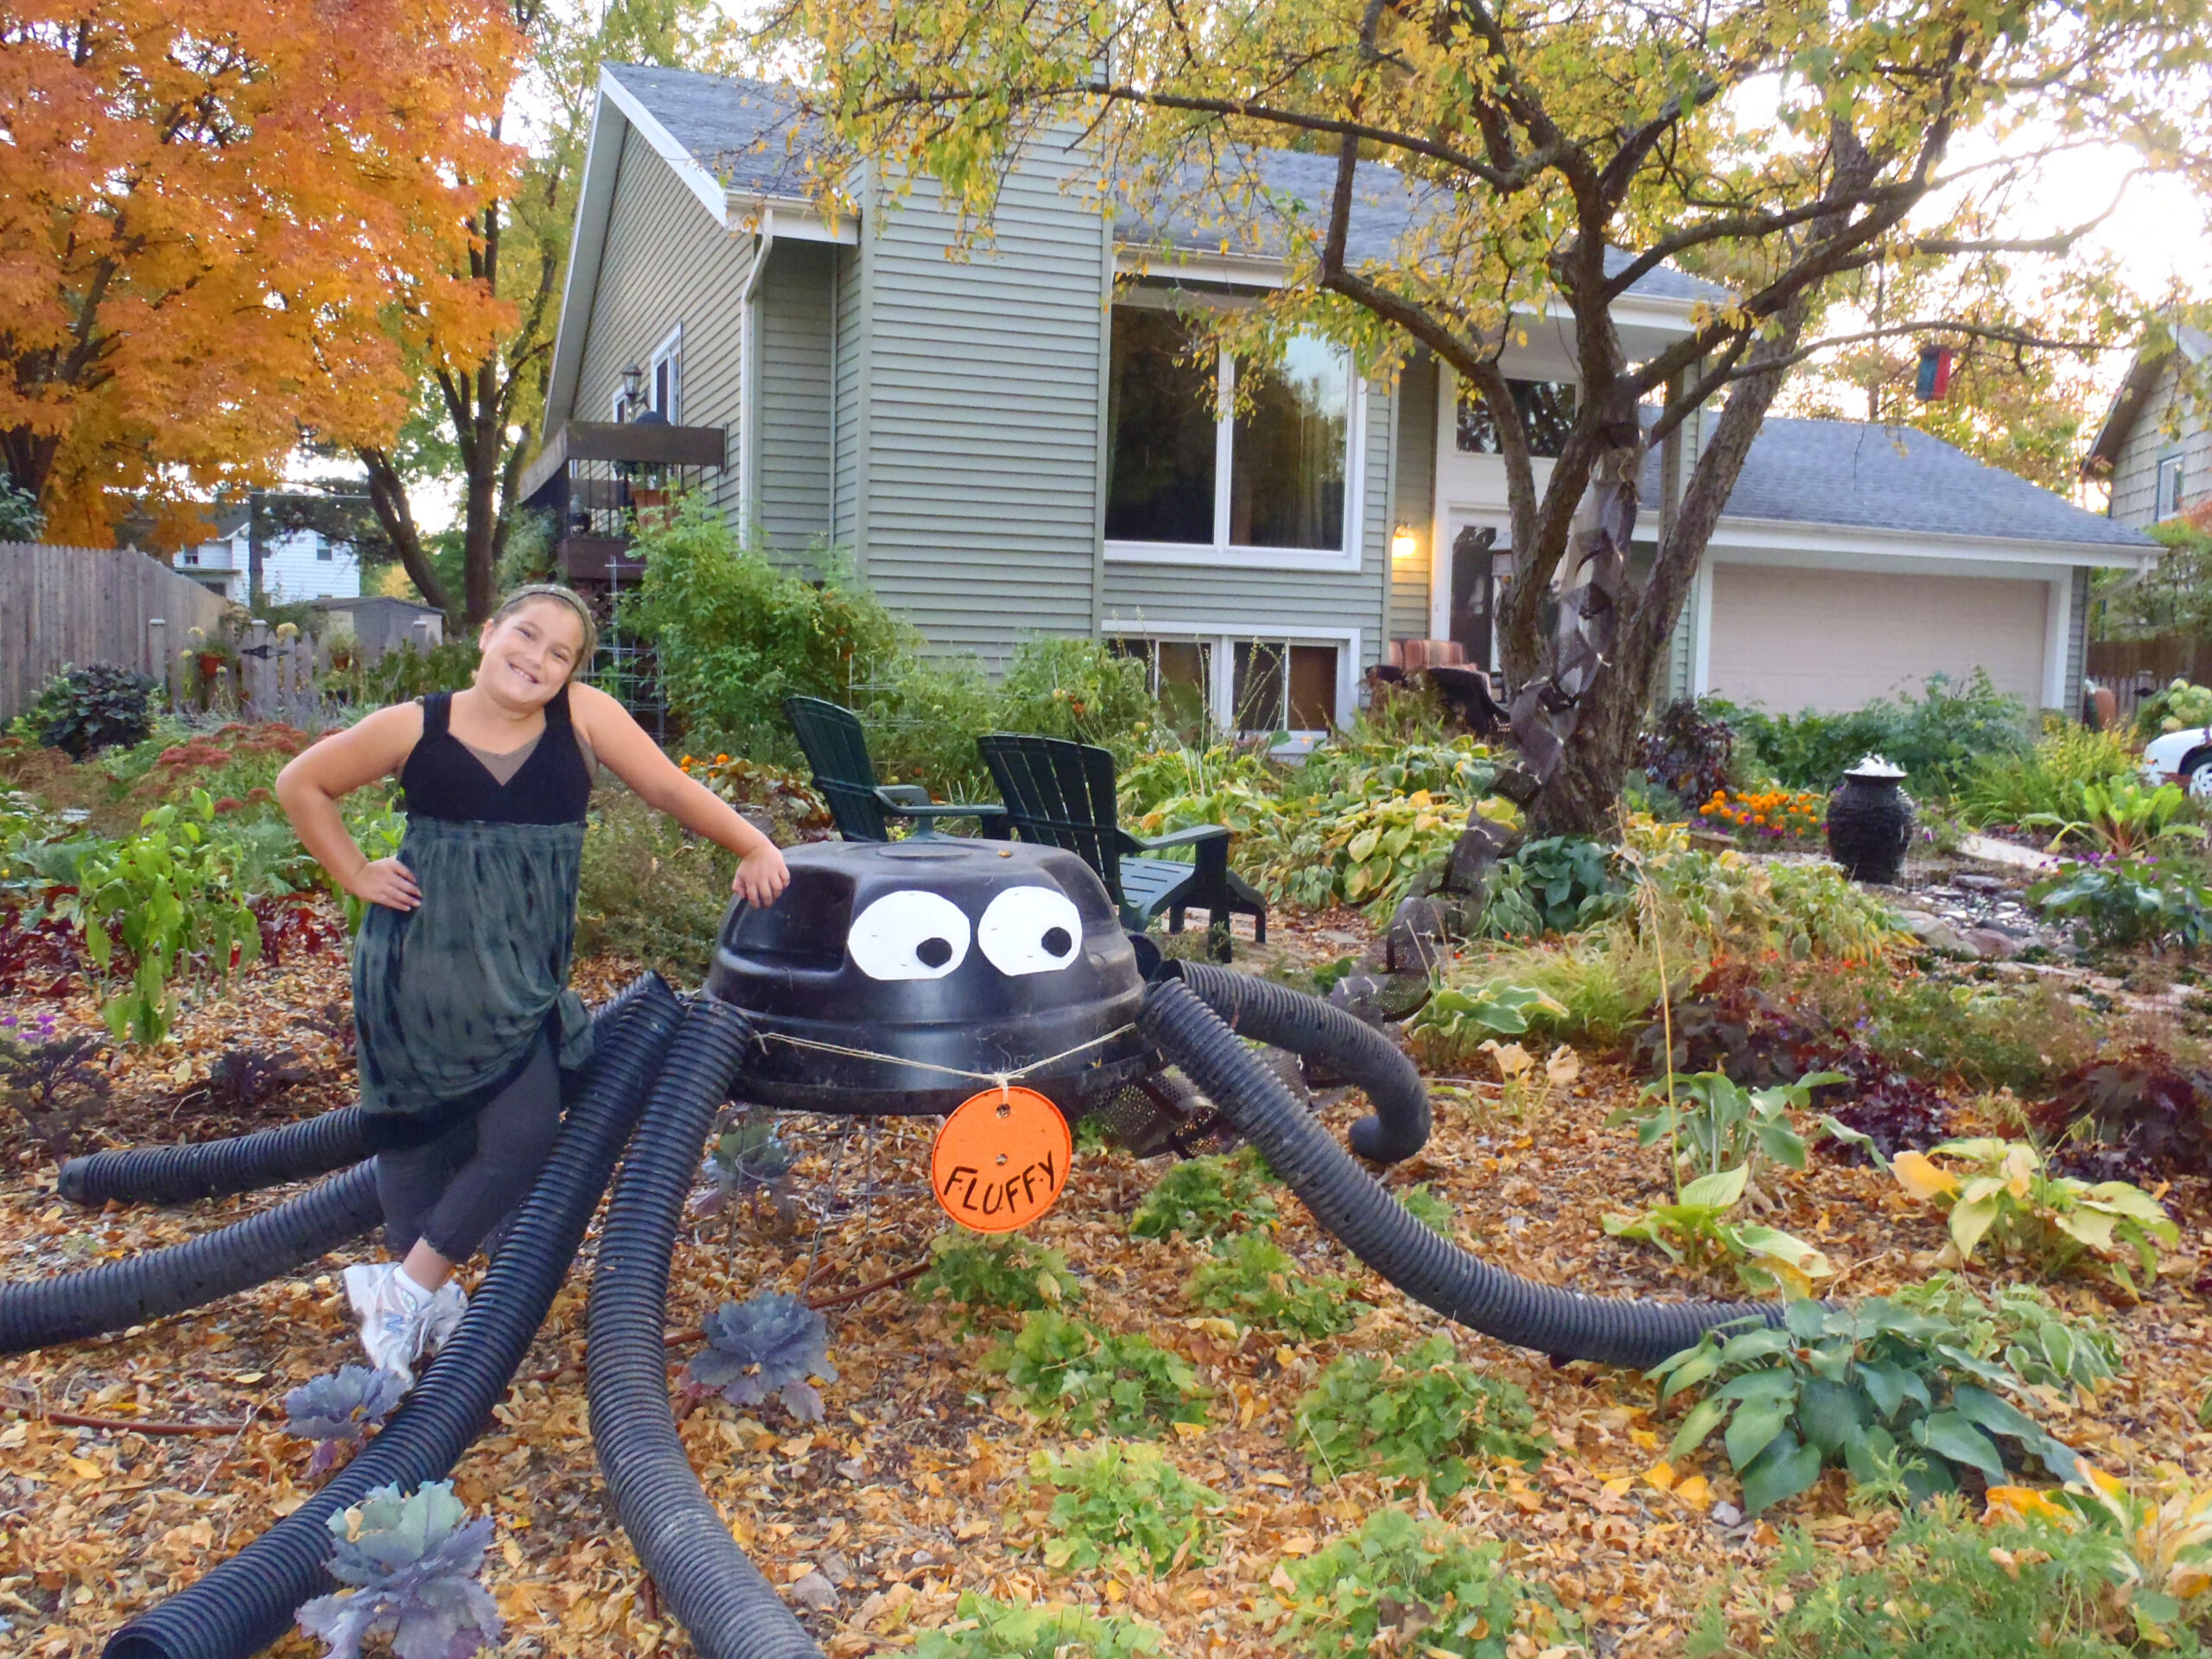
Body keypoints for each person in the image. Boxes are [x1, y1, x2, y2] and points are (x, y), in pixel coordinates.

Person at [276, 584, 789, 1385]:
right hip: (418, 966)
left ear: (573, 672)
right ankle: (418, 1316)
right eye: (525, 636)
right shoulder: (417, 725)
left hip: (519, 977)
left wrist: (752, 843)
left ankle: (405, 1290)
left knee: (520, 1138)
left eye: (560, 653)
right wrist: (354, 871)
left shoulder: (583, 719)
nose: (537, 660)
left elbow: (666, 787)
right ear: (487, 633)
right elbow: (301, 784)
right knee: (415, 1133)